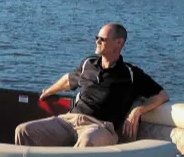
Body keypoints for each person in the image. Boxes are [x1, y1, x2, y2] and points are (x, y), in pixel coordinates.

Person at [14, 23, 169, 148]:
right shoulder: (88, 63)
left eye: (102, 39)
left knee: (86, 142)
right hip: (69, 120)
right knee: (24, 131)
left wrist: (138, 110)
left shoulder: (131, 74)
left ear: (119, 42)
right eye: (97, 37)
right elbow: (68, 80)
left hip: (100, 127)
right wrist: (47, 91)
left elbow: (162, 95)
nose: (97, 41)